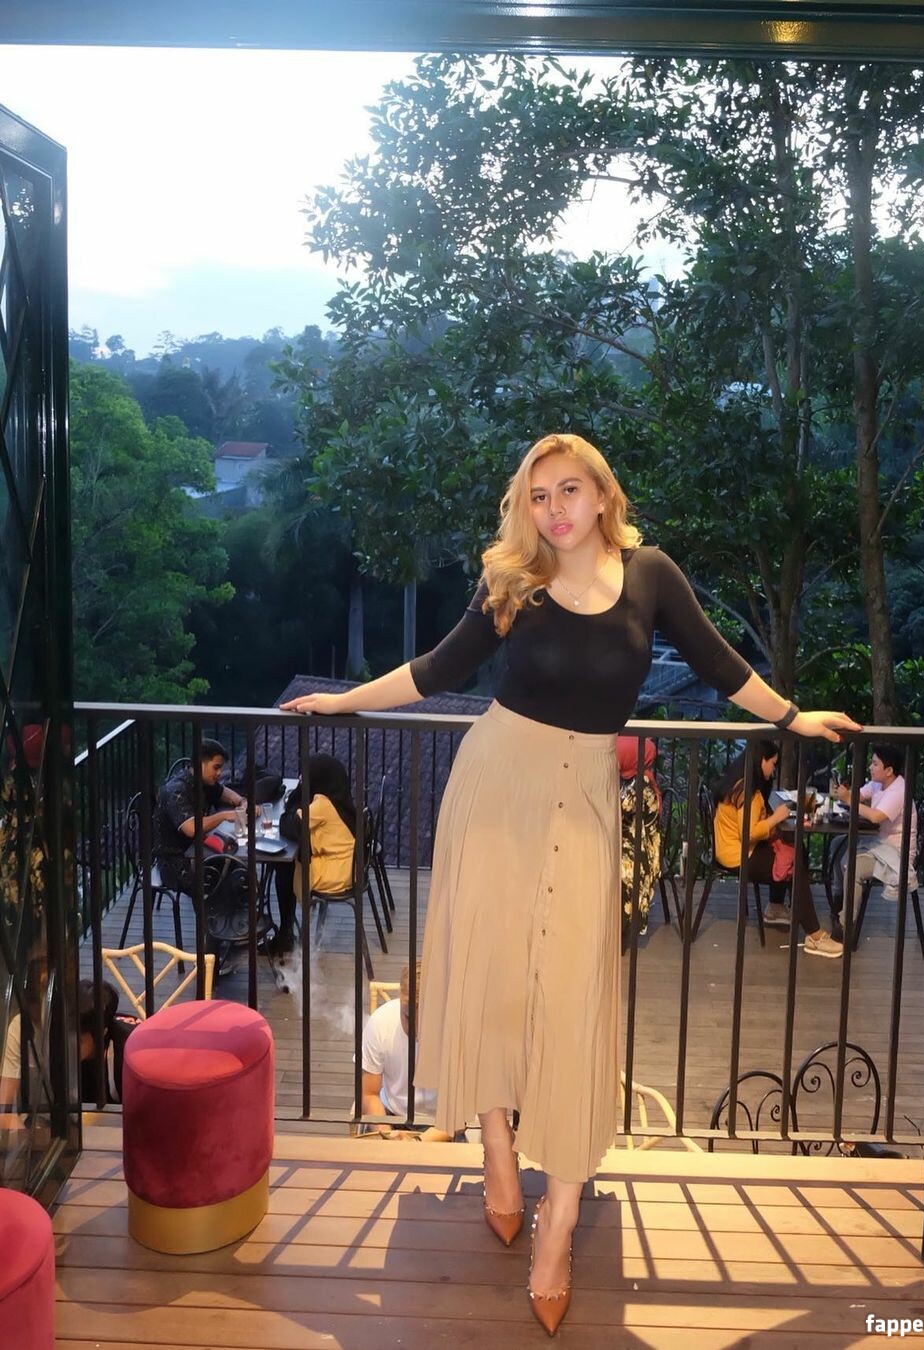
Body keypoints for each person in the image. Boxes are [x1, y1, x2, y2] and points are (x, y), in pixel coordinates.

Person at [282, 432, 859, 1334]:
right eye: (539, 495)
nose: (555, 509)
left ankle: (558, 1222)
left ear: (601, 494)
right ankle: (498, 1148)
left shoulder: (651, 575)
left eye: (569, 490)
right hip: (495, 788)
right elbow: (437, 671)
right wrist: (341, 701)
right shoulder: (512, 581)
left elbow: (718, 665)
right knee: (493, 976)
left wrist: (793, 716)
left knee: (574, 997)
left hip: (586, 800)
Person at [712, 741, 843, 958]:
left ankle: (775, 906)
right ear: (761, 761)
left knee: (794, 849)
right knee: (794, 864)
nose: (773, 769)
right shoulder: (748, 793)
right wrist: (776, 818)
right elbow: (749, 833)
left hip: (728, 847)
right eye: (772, 763)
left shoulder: (737, 783)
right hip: (738, 855)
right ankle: (814, 935)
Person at [154, 740, 253, 975]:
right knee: (219, 884)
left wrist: (242, 802)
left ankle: (230, 933)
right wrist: (224, 816)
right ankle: (210, 961)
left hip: (198, 855)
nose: (219, 773)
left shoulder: (204, 782)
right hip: (174, 863)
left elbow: (226, 794)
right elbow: (190, 828)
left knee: (237, 872)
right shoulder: (176, 790)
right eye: (216, 767)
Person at [274, 753, 358, 955]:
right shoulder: (338, 799)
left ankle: (285, 933)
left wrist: (299, 792)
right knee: (287, 864)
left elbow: (288, 824)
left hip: (334, 875)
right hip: (348, 868)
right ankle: (285, 932)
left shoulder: (322, 806)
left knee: (284, 866)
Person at [360, 960, 453, 1141]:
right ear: (400, 996)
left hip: (442, 1124)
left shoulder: (457, 1031)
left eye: (428, 1019)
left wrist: (418, 1143)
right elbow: (369, 1094)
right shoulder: (381, 1022)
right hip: (391, 1116)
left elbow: (460, 1114)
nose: (416, 1030)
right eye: (408, 1016)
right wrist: (387, 1133)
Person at [834, 743, 918, 902]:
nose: (870, 767)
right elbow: (858, 795)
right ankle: (839, 897)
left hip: (895, 851)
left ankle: (847, 915)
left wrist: (849, 800)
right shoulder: (878, 783)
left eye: (875, 764)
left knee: (853, 867)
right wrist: (845, 794)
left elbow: (876, 817)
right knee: (837, 844)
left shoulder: (899, 791)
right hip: (879, 842)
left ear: (889, 771)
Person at [616, 736, 662, 947]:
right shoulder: (631, 778)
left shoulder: (640, 783)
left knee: (612, 867)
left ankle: (620, 929)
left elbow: (616, 808)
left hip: (641, 852)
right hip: (629, 843)